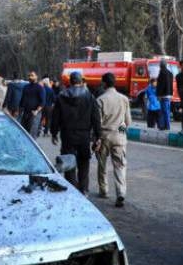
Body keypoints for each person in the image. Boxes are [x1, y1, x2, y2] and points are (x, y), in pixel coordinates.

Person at [51, 71, 101, 195]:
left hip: (67, 135)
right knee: (84, 162)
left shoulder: (61, 96)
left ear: (70, 81)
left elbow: (55, 117)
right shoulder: (89, 96)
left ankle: (72, 188)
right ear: (81, 81)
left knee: (68, 162)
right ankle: (83, 189)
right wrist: (98, 136)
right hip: (84, 136)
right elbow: (96, 118)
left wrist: (54, 133)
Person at [96, 73, 132, 207]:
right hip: (119, 138)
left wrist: (97, 139)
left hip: (104, 136)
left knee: (102, 165)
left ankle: (104, 190)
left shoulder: (100, 100)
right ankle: (121, 193)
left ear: (104, 83)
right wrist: (120, 134)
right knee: (120, 166)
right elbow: (127, 121)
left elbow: (97, 123)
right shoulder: (124, 99)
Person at [19, 71, 46, 138]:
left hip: (34, 114)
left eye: (32, 75)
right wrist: (19, 110)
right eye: (29, 76)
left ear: (36, 77)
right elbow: (22, 100)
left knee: (31, 134)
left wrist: (37, 111)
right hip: (25, 113)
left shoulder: (40, 88)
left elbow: (42, 102)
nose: (30, 77)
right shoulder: (25, 87)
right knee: (23, 132)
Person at [156, 60, 174, 130]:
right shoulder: (170, 73)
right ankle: (166, 125)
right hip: (169, 95)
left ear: (161, 65)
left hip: (163, 95)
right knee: (167, 111)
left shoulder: (162, 73)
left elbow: (161, 85)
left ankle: (165, 126)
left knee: (164, 111)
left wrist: (158, 95)